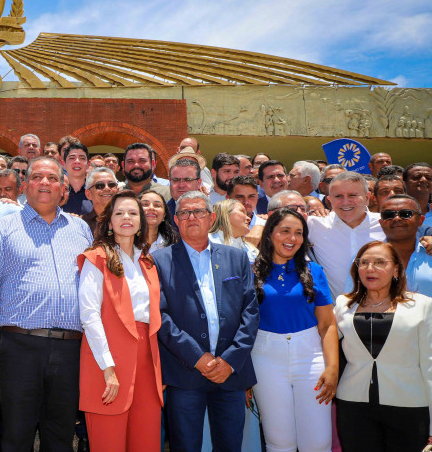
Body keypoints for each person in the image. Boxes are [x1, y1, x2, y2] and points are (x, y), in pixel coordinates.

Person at [0, 156, 93, 450]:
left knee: (61, 436)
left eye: (52, 178)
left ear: (63, 187)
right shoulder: (2, 229)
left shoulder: (80, 231)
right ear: (25, 185)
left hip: (70, 348)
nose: (45, 183)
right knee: (15, 435)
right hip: (19, 347)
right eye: (37, 176)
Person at [153, 191, 258, 452]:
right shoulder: (158, 261)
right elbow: (160, 316)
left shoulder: (236, 257)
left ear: (211, 218)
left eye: (198, 211)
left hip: (230, 373)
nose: (191, 217)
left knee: (230, 445)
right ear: (175, 220)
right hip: (185, 373)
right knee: (185, 446)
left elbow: (250, 311)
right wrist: (197, 358)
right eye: (184, 213)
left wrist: (231, 360)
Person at [78, 191, 163, 451]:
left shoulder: (148, 262)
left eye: (133, 213)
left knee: (146, 441)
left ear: (141, 222)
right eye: (119, 213)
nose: (126, 217)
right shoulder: (97, 258)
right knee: (108, 442)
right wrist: (107, 367)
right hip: (107, 359)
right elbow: (89, 315)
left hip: (147, 362)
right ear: (109, 221)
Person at [250, 209, 338, 452]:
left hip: (310, 357)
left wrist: (332, 368)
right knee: (279, 441)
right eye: (285, 231)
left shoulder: (314, 271)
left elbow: (327, 324)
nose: (292, 238)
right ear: (270, 234)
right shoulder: (249, 270)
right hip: (265, 357)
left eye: (299, 233)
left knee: (318, 441)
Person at [334, 241, 432, 451]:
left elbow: (430, 364)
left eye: (380, 263)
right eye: (364, 263)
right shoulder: (343, 304)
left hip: (409, 405)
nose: (370, 269)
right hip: (353, 405)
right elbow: (326, 343)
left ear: (396, 269)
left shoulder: (422, 305)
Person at [309, 171, 385, 297]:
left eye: (352, 195)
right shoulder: (315, 225)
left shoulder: (386, 224)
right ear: (329, 200)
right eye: (338, 196)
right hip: (336, 314)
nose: (345, 202)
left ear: (367, 197)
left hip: (384, 312)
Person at [379, 195, 432, 296]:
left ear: (421, 220)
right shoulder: (364, 259)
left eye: (406, 214)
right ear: (381, 223)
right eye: (388, 215)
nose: (397, 218)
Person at [81, 167, 120, 232]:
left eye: (111, 185)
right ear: (88, 194)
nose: (107, 188)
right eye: (99, 185)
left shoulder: (128, 219)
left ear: (118, 191)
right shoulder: (81, 224)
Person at [62, 142, 93, 215]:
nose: (77, 161)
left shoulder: (94, 191)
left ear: (88, 164)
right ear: (63, 164)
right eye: (72, 158)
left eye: (82, 158)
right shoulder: (57, 191)